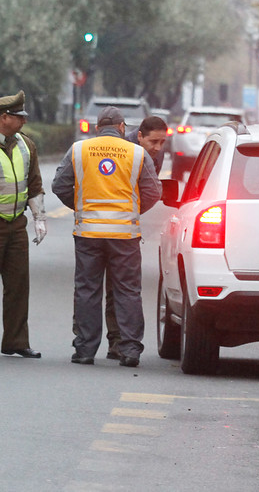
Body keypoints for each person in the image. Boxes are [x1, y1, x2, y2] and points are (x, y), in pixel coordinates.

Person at [51, 106, 161, 367]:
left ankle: (85, 350)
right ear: (123, 128)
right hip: (124, 234)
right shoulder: (137, 153)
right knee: (127, 290)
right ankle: (130, 349)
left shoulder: (79, 149)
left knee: (88, 290)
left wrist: (81, 208)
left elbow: (60, 185)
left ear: (98, 128)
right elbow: (153, 191)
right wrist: (133, 211)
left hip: (88, 233)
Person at [0, 90, 46, 359]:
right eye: (19, 117)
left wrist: (39, 219)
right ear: (4, 118)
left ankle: (16, 341)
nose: (24, 121)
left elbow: (34, 183)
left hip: (16, 224)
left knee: (18, 285)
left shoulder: (26, 144)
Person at [104, 114, 168, 358]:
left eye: (163, 143)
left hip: (127, 226)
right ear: (139, 136)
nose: (158, 149)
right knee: (111, 286)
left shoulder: (155, 152)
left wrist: (131, 212)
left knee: (124, 286)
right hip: (103, 223)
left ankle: (123, 343)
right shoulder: (123, 148)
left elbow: (149, 190)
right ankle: (115, 340)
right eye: (154, 142)